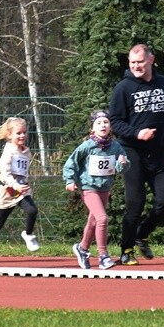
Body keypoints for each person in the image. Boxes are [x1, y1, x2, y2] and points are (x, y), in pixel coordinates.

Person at [108, 43, 164, 265]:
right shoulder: (123, 88)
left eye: (140, 62)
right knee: (135, 203)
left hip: (158, 153)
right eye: (132, 62)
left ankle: (142, 233)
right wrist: (137, 133)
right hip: (132, 153)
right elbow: (115, 122)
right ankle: (126, 250)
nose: (136, 66)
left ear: (151, 60)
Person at [62, 110, 129, 270]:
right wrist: (70, 180)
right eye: (98, 123)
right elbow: (71, 162)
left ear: (110, 126)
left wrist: (123, 163)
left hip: (104, 187)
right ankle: (103, 256)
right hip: (88, 187)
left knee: (93, 221)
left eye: (106, 122)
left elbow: (123, 166)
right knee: (102, 218)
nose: (103, 125)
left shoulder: (115, 146)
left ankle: (82, 248)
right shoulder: (87, 146)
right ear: (92, 128)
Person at [0, 117, 40, 266]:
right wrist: (15, 185)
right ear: (9, 135)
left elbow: (24, 171)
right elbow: (4, 174)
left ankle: (28, 234)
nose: (22, 136)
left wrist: (24, 184)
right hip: (8, 191)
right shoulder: (9, 151)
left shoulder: (26, 151)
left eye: (24, 132)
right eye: (18, 133)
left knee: (32, 210)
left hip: (22, 190)